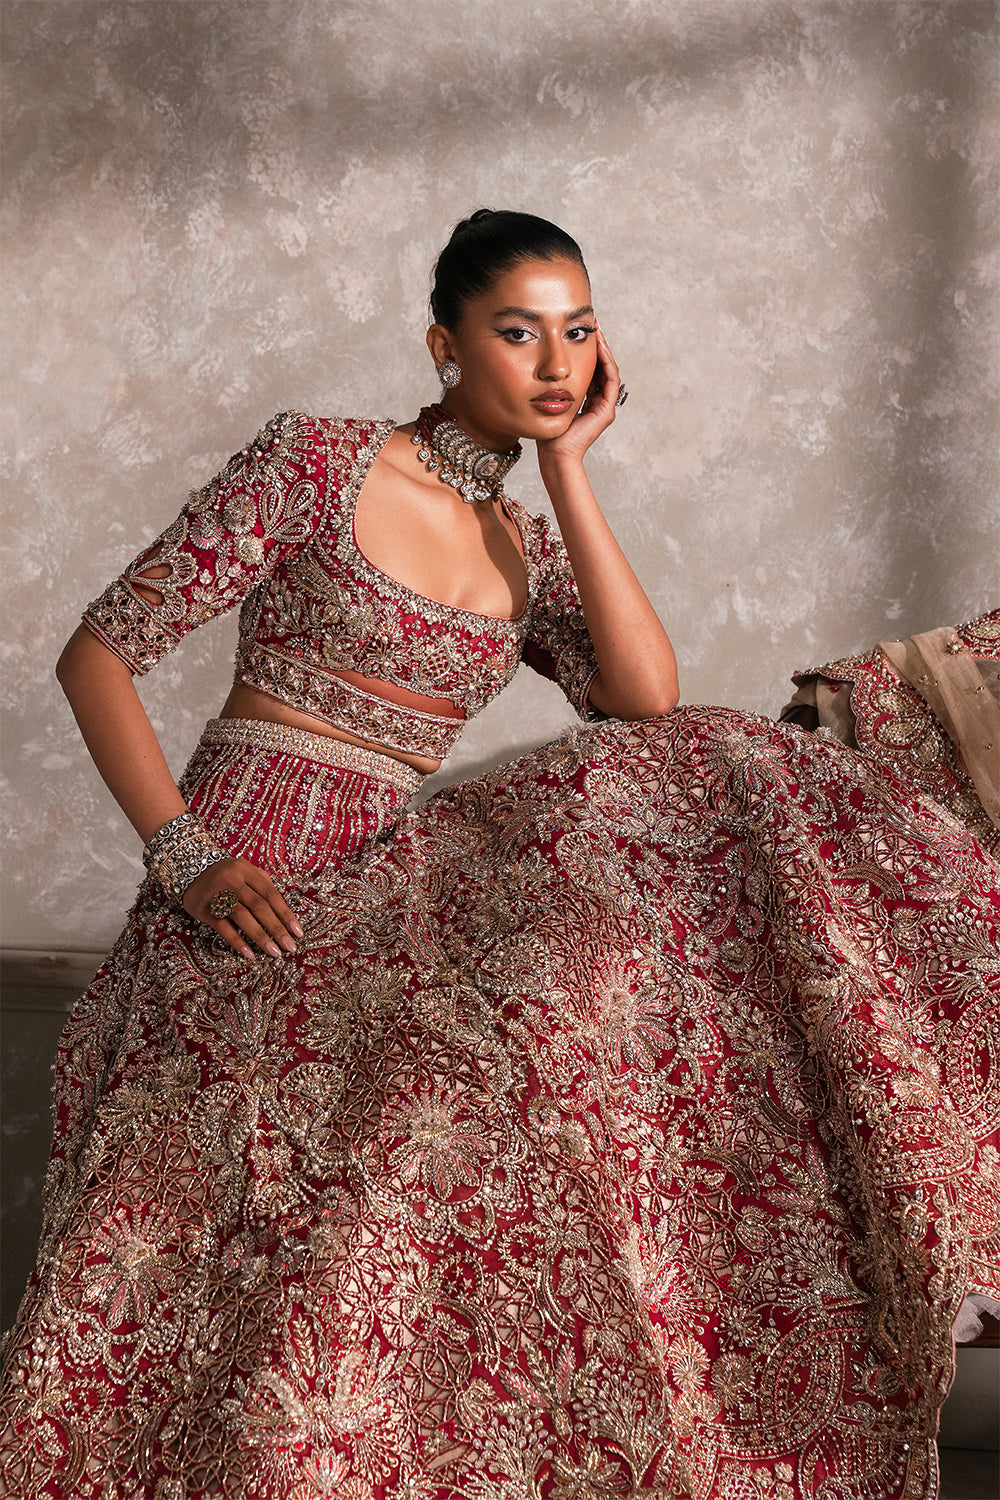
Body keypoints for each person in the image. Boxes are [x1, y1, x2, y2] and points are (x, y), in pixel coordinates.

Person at [0, 210, 996, 1500]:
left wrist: (570, 472)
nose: (556, 363)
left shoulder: (523, 543)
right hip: (242, 894)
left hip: (385, 897)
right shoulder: (315, 463)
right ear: (444, 345)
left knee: (706, 775)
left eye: (579, 333)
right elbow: (97, 654)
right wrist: (187, 860)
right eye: (519, 332)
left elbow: (645, 703)